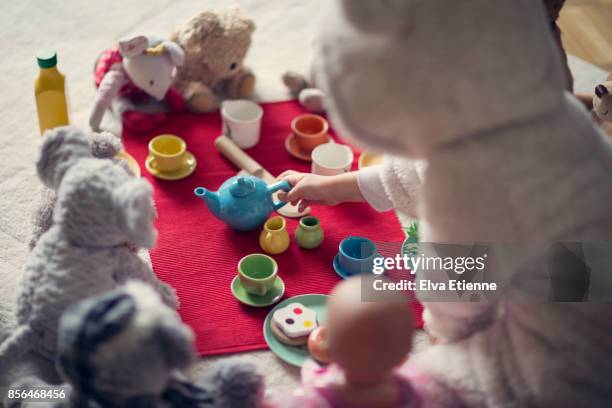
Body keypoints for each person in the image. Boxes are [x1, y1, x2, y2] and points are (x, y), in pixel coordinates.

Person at [279, 0, 612, 406]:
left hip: (564, 369)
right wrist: (325, 186)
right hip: (575, 282)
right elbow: (413, 175)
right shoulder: (552, 116)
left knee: (423, 382)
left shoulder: (467, 178)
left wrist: (443, 330)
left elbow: (455, 286)